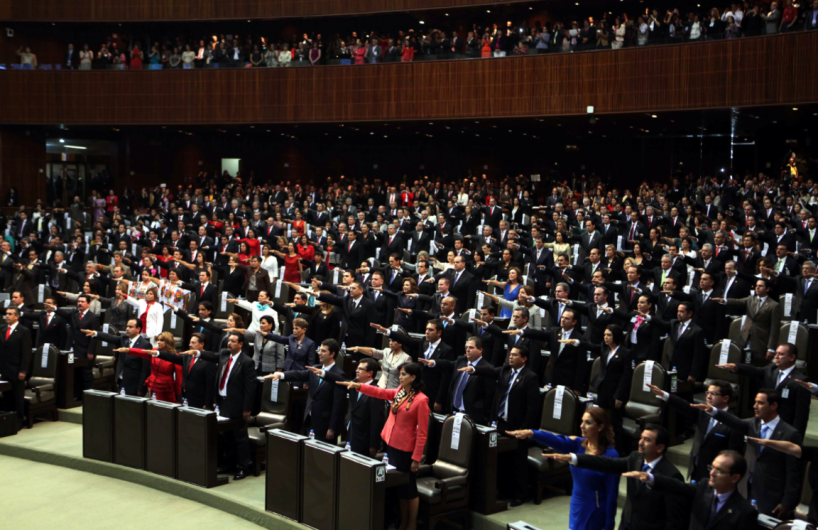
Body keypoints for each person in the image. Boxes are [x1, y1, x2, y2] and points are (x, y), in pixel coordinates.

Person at [335, 362, 429, 530]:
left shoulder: (421, 400)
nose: (400, 377)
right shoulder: (400, 392)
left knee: (409, 488)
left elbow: (422, 433)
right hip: (392, 445)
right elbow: (380, 392)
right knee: (400, 487)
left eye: (404, 375)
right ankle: (402, 522)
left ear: (413, 378)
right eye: (399, 374)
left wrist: (416, 458)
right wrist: (359, 386)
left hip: (407, 450)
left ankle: (411, 524)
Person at [691, 389, 802, 517]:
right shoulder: (752, 424)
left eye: (760, 403)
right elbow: (733, 421)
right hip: (746, 487)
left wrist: (787, 502)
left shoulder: (790, 434)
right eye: (755, 402)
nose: (755, 406)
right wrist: (712, 411)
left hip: (771, 494)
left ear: (774, 406)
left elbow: (793, 472)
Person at [552, 425, 686, 530]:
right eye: (641, 438)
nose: (640, 443)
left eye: (647, 440)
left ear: (660, 447)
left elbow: (674, 521)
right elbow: (608, 463)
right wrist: (574, 458)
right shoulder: (635, 458)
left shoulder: (672, 476)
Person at [507, 408, 619, 527]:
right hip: (577, 505)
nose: (582, 426)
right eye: (582, 421)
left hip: (594, 510)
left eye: (588, 423)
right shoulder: (578, 444)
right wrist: (532, 433)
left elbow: (611, 495)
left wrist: (609, 525)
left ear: (600, 427)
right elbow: (555, 439)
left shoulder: (611, 456)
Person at [463, 346, 540, 506]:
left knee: (518, 460)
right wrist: (473, 369)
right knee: (503, 458)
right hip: (501, 423)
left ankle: (520, 494)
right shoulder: (505, 371)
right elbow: (491, 372)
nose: (510, 357)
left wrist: (525, 429)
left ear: (524, 358)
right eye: (509, 354)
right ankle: (505, 490)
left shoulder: (530, 377)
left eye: (514, 355)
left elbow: (533, 407)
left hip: (518, 426)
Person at [181, 332, 256, 481]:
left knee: (240, 438)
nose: (229, 343)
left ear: (240, 344)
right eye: (229, 341)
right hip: (223, 403)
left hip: (238, 405)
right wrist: (197, 352)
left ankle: (243, 468)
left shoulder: (247, 361)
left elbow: (250, 388)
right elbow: (211, 356)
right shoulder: (223, 355)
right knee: (226, 436)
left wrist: (247, 408)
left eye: (233, 341)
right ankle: (228, 464)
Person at [623, 450, 757, 529]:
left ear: (735, 478)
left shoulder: (745, 511)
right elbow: (677, 486)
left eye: (719, 471)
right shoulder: (704, 487)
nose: (712, 473)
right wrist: (651, 478)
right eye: (712, 468)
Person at [648, 379, 744, 481]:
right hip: (697, 468)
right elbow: (685, 406)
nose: (708, 396)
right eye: (708, 392)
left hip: (717, 474)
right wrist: (664, 395)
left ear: (725, 398)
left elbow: (734, 455)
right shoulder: (703, 413)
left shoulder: (733, 423)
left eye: (714, 394)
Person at [716, 343, 811, 434]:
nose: (776, 357)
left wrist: (797, 437)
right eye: (776, 353)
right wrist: (736, 367)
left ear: (792, 357)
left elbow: (801, 414)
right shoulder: (772, 369)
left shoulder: (800, 380)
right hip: (764, 421)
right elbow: (754, 370)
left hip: (784, 426)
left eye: (781, 354)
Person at [266, 338, 346, 443]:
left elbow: (338, 404)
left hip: (325, 423)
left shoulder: (339, 375)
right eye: (319, 350)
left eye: (323, 351)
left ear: (332, 354)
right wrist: (280, 374)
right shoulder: (314, 368)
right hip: (309, 418)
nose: (319, 353)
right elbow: (298, 374)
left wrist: (332, 428)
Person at [371, 320, 454, 412]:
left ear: (439, 332)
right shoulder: (424, 342)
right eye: (426, 329)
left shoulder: (447, 350)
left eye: (430, 330)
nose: (427, 332)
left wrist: (439, 400)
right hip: (418, 388)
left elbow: (445, 378)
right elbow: (406, 340)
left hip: (433, 391)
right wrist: (387, 331)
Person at [417, 336, 496, 425]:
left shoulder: (487, 369)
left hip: (474, 415)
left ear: (480, 350)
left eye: (471, 348)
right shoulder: (461, 361)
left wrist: (486, 415)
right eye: (466, 347)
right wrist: (434, 362)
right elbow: (448, 363)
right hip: (455, 411)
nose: (468, 350)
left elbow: (489, 395)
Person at [504, 308, 587, 393]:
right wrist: (522, 332)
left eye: (567, 318)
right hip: (551, 377)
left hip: (568, 379)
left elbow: (581, 365)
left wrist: (577, 388)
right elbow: (540, 334)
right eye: (562, 317)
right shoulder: (554, 331)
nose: (563, 320)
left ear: (574, 322)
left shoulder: (580, 339)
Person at [318, 357, 385, 457]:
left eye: (360, 369)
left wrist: (373, 445)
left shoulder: (376, 393)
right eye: (357, 368)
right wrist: (324, 373)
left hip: (364, 440)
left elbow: (376, 421)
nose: (356, 371)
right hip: (351, 433)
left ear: (370, 373)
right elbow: (340, 380)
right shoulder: (355, 384)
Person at [712, 278, 781, 363]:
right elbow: (738, 301)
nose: (757, 288)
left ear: (767, 289)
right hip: (745, 337)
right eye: (756, 286)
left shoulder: (774, 305)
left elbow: (775, 329)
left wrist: (771, 348)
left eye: (760, 286)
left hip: (761, 340)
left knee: (757, 364)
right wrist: (724, 300)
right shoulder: (751, 299)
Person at [48, 295, 100, 400]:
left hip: (85, 350)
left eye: (82, 301)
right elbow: (63, 314)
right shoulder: (74, 314)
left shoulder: (93, 317)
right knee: (74, 374)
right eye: (78, 301)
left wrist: (90, 351)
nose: (79, 303)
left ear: (88, 303)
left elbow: (94, 337)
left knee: (85, 375)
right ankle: (76, 396)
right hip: (73, 349)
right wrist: (55, 308)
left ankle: (88, 397)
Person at [84, 318, 150, 396]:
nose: (127, 329)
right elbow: (110, 337)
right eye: (127, 326)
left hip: (134, 384)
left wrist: (141, 389)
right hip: (121, 381)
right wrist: (95, 333)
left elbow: (145, 370)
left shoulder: (145, 345)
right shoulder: (124, 339)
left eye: (130, 327)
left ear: (138, 329)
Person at [114, 331, 183, 403]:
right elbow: (142, 352)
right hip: (153, 387)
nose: (158, 342)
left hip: (166, 390)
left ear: (168, 341)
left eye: (161, 340)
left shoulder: (175, 357)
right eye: (158, 340)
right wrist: (128, 349)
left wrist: (179, 396)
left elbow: (179, 379)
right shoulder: (154, 351)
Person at [153, 332, 217, 409]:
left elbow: (210, 385)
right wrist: (157, 353)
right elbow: (173, 357)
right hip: (187, 398)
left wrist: (208, 404)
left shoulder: (208, 360)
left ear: (201, 344)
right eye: (190, 342)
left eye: (193, 343)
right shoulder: (188, 357)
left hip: (200, 401)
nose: (190, 345)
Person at [0, 307, 33, 428]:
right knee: (6, 395)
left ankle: (19, 420)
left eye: (10, 314)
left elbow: (26, 353)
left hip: (17, 369)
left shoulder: (23, 331)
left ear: (17, 316)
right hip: (4, 368)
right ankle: (8, 418)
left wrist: (23, 370)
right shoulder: (2, 329)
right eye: (6, 314)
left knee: (17, 396)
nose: (7, 316)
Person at [346, 334, 412, 389]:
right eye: (390, 340)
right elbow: (373, 351)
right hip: (381, 386)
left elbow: (407, 378)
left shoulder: (406, 358)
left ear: (400, 343)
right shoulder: (386, 351)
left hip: (395, 389)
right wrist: (359, 348)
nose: (391, 343)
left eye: (393, 341)